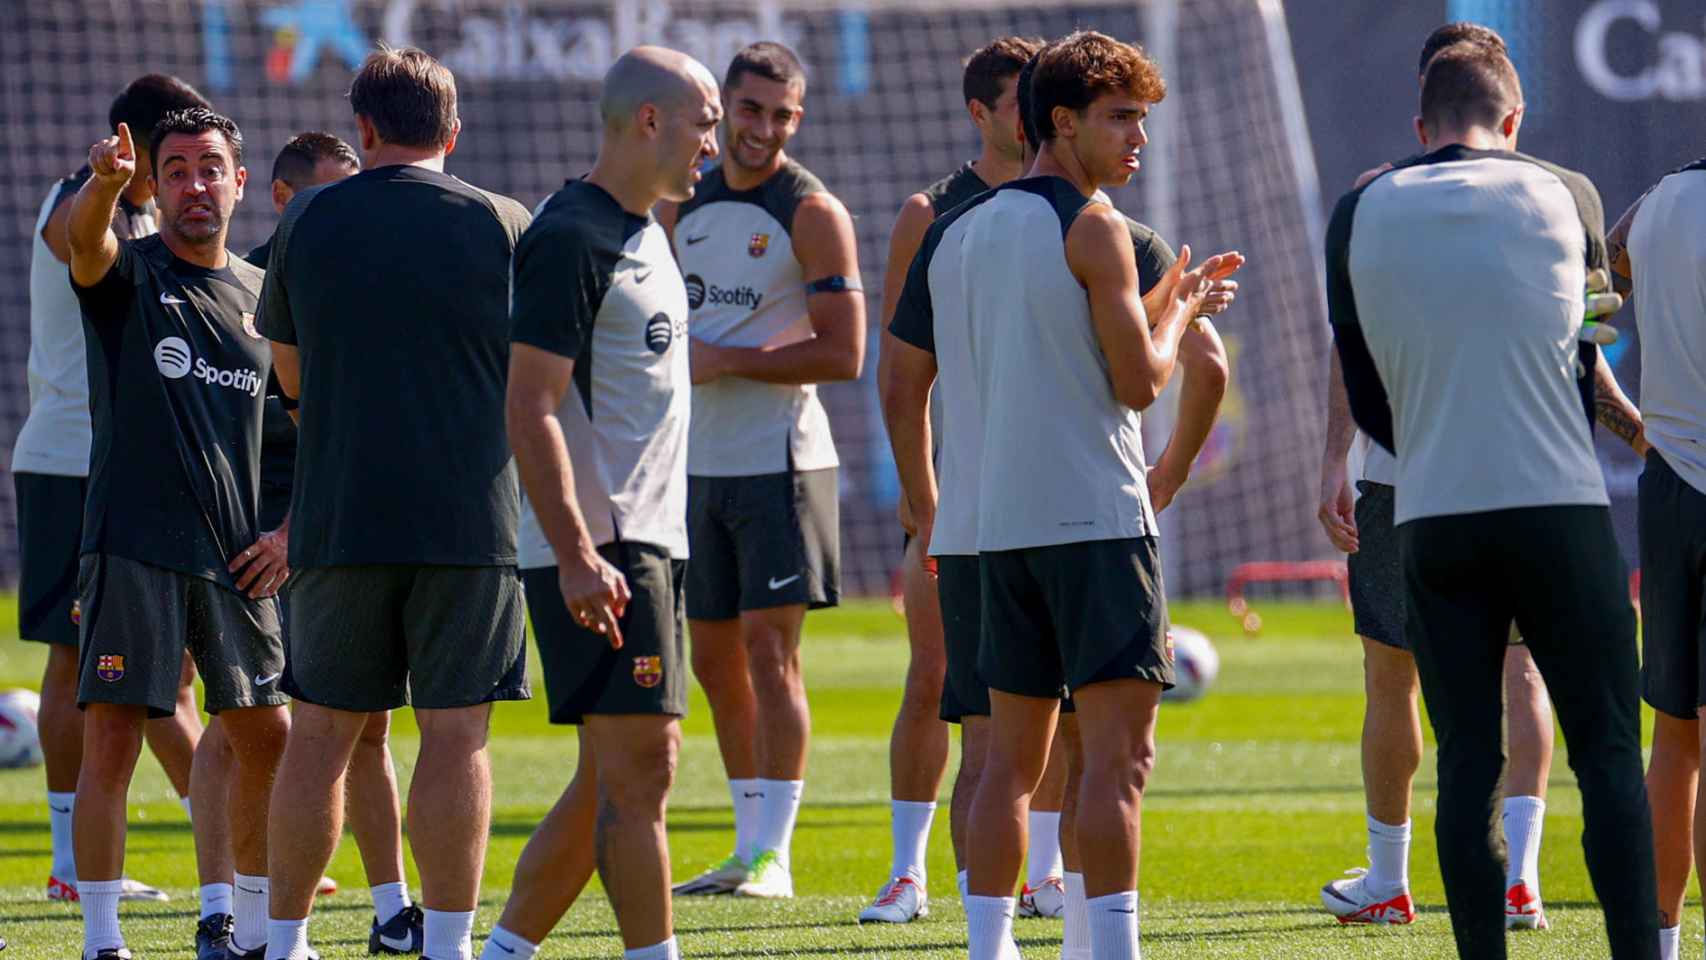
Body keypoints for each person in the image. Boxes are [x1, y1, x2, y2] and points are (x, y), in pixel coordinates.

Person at [1313, 22, 1650, 930]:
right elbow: (1584, 353)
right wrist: (1626, 429)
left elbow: (1359, 374)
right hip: (1556, 503)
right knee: (1611, 754)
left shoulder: (1363, 206)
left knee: (1461, 756)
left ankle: (1407, 885)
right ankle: (1551, 895)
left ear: (1422, 124)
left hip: (1428, 501)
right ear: (1516, 117)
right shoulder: (1566, 191)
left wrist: (1414, 445)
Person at [893, 30, 1221, 960]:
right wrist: (1183, 310)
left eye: (1143, 121)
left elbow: (905, 377)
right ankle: (1104, 950)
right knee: (1115, 765)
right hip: (1093, 525)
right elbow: (1141, 383)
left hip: (988, 533)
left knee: (1006, 762)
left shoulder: (953, 230)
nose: (1138, 141)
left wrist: (929, 507)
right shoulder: (1094, 224)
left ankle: (989, 949)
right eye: (1121, 120)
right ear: (1062, 122)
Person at [256, 47, 532, 960]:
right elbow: (539, 377)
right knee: (456, 738)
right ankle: (448, 944)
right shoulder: (505, 222)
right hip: (471, 517)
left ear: (364, 129)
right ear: (453, 131)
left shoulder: (309, 223)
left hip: (338, 519)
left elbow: (286, 370)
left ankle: (289, 940)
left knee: (322, 734)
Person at [477, 46, 721, 960]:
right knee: (641, 775)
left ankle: (500, 951)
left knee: (608, 781)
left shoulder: (648, 227)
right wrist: (580, 552)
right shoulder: (569, 235)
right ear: (650, 121)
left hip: (651, 542)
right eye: (703, 120)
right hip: (607, 546)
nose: (715, 141)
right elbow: (528, 403)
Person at [181, 132, 420, 960]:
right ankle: (221, 911)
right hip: (254, 544)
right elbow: (218, 435)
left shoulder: (357, 282)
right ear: (281, 198)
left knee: (372, 726)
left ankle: (393, 910)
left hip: (330, 533)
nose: (348, 209)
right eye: (327, 193)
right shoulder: (239, 287)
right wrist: (271, 534)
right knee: (240, 723)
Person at [65, 106, 292, 960]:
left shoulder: (267, 302)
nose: (197, 184)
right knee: (114, 737)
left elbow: (302, 436)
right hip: (133, 543)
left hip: (239, 557)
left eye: (211, 168)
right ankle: (101, 940)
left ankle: (253, 924)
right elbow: (86, 245)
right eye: (179, 170)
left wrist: (287, 535)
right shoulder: (130, 271)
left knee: (266, 734)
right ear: (155, 186)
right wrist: (104, 188)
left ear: (240, 182)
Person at [661, 41, 865, 900]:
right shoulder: (681, 198)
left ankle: (776, 855)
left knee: (770, 654)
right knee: (711, 661)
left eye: (782, 115)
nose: (763, 130)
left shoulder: (811, 209)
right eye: (750, 111)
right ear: (722, 112)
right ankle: (748, 848)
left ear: (798, 120)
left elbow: (846, 352)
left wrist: (727, 360)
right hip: (690, 469)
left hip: (782, 462)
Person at [16, 73, 212, 906]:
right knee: (77, 668)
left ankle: (235, 840)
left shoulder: (145, 221)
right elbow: (71, 237)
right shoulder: (80, 200)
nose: (185, 170)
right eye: (170, 151)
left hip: (124, 466)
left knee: (171, 678)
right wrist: (104, 184)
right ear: (133, 143)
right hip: (72, 465)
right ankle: (69, 864)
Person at [862, 34, 1042, 925]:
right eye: (1022, 100)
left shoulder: (1076, 202)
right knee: (936, 678)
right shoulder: (932, 211)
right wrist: (922, 496)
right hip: (959, 498)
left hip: (1050, 498)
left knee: (1058, 700)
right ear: (982, 112)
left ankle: (1042, 874)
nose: (1039, 113)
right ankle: (907, 871)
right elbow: (903, 375)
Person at [1609, 154, 1706, 960]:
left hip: (1669, 490)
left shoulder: (1657, 199)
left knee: (1673, 742)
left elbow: (1587, 298)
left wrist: (1634, 423)